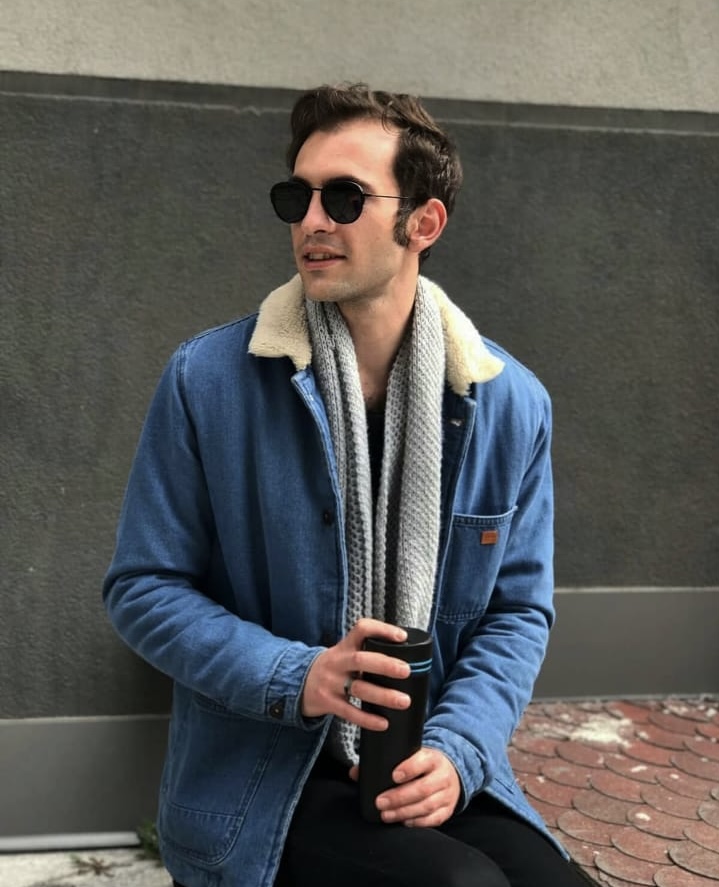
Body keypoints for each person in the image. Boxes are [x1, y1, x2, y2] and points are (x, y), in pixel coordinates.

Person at [103, 83, 595, 887]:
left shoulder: (509, 403)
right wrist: (298, 674)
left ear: (422, 223)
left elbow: (515, 612)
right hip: (265, 771)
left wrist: (458, 750)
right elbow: (142, 588)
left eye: (343, 197)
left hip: (425, 754)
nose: (311, 221)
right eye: (296, 197)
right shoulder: (208, 380)